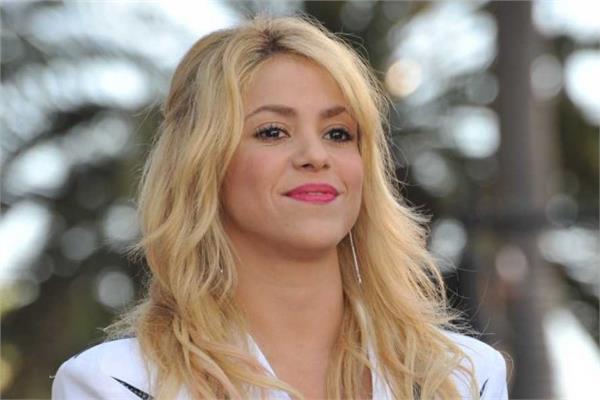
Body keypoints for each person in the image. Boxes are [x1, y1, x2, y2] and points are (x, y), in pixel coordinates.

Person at [51, 15, 508, 400]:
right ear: (204, 165)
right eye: (272, 131)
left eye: (338, 133)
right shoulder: (118, 383)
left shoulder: (465, 377)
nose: (316, 155)